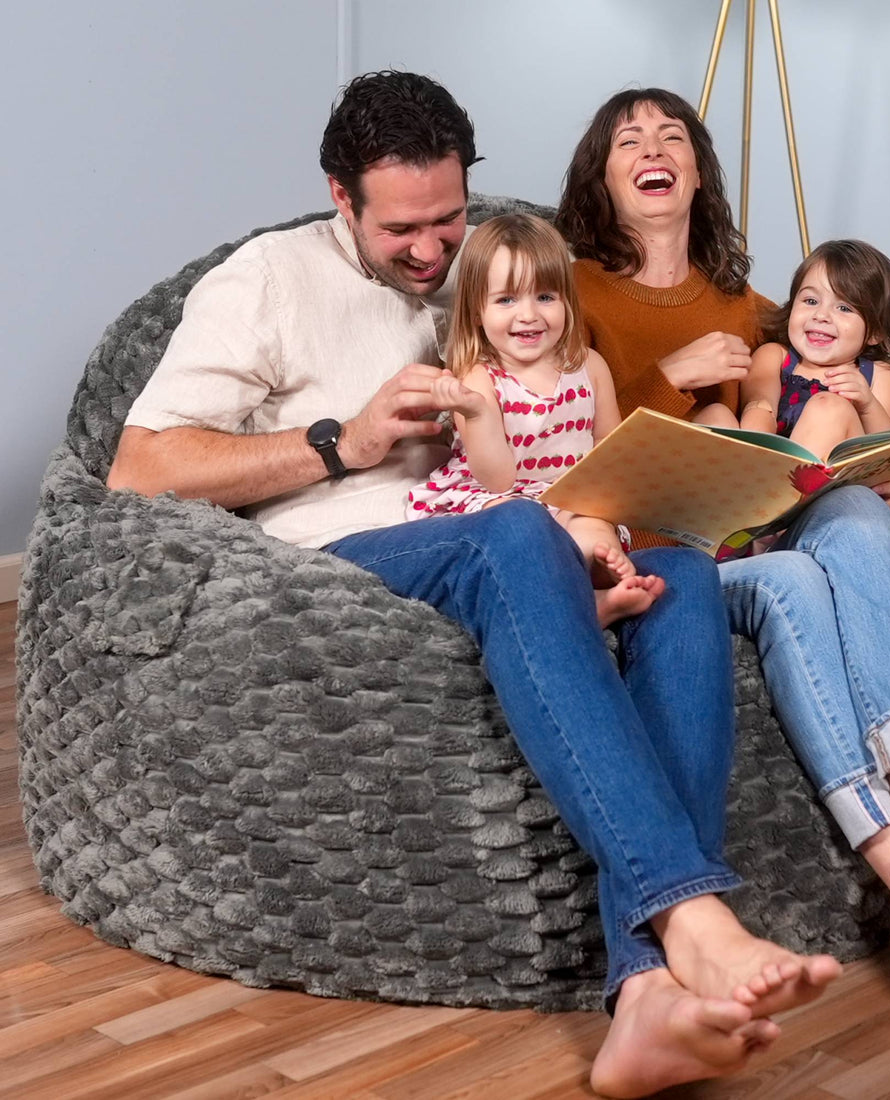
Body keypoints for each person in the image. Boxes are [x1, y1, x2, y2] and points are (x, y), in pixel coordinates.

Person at [106, 71, 844, 1098]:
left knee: (673, 564)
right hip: (368, 552)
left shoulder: (484, 268)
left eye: (448, 218)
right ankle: (690, 916)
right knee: (513, 535)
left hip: (514, 529)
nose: (428, 249)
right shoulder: (264, 281)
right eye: (400, 228)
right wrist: (340, 441)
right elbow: (138, 467)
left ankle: (645, 996)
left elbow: (560, 404)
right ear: (339, 197)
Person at [558, 86, 890, 1042]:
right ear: (601, 175)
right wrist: (669, 380)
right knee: (796, 580)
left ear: (697, 169)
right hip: (669, 550)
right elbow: (550, 450)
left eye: (672, 135)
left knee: (855, 510)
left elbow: (844, 364)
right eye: (627, 138)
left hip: (761, 525)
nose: (652, 146)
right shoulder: (566, 289)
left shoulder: (750, 301)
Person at [407, 213, 661, 627]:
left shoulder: (589, 367)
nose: (529, 315)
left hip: (566, 499)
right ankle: (588, 605)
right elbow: (497, 480)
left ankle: (596, 576)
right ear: (476, 312)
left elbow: (610, 450)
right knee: (521, 525)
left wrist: (614, 500)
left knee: (595, 524)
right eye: (506, 300)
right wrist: (476, 413)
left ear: (566, 302)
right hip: (501, 501)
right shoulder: (478, 379)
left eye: (545, 297)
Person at [740, 239, 890, 459]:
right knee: (715, 414)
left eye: (844, 308)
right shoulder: (774, 356)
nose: (821, 316)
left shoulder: (879, 375)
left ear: (875, 332)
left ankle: (784, 489)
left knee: (829, 407)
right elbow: (758, 409)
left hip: (838, 481)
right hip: (771, 467)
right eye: (811, 301)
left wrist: (868, 404)